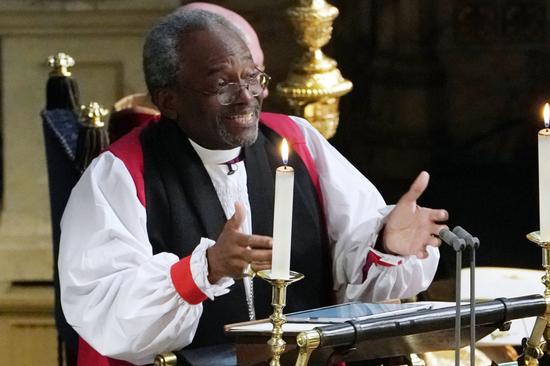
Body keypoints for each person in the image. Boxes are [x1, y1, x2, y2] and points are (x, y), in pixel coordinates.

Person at [58, 8, 449, 365]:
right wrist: (203, 271)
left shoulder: (297, 140)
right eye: (222, 84)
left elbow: (352, 269)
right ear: (169, 100)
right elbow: (106, 311)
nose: (246, 96)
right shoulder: (120, 174)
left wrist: (387, 245)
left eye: (251, 77)